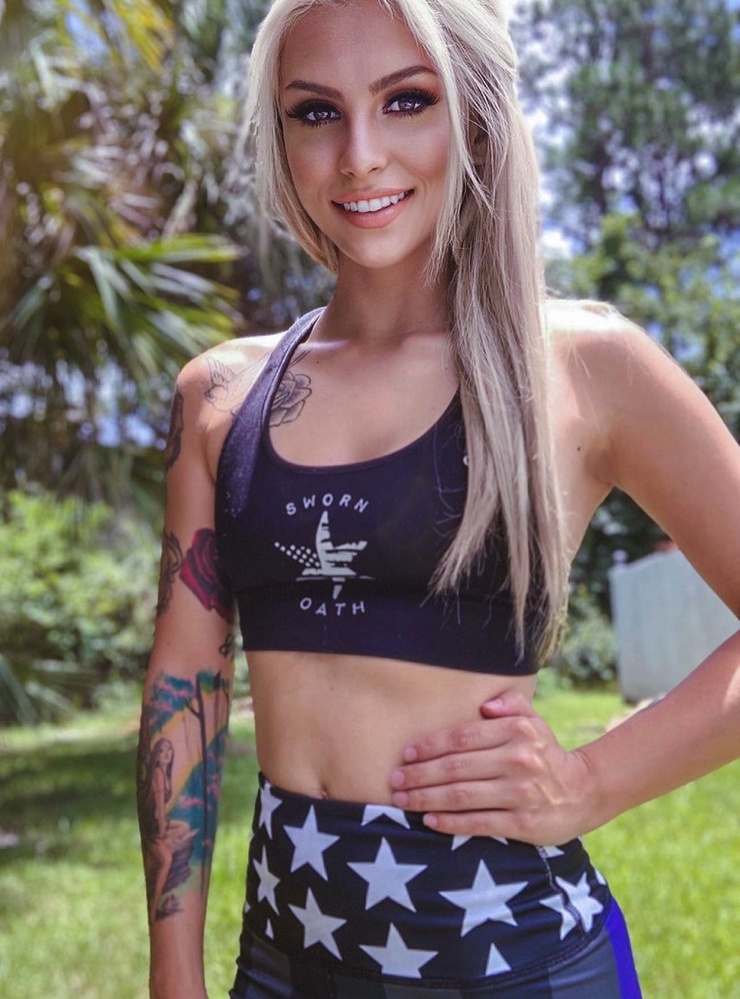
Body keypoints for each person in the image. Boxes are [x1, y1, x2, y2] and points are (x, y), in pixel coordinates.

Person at [137, 0, 740, 996]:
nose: (359, 155)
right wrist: (174, 972)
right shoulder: (220, 396)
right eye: (315, 112)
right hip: (280, 963)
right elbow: (184, 683)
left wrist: (592, 781)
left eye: (406, 100)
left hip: (516, 961)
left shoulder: (580, 367)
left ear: (476, 117)